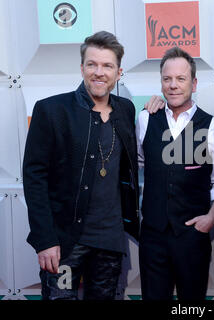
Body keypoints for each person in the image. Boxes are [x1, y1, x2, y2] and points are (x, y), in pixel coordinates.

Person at [22, 31, 139, 300]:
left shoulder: (126, 110)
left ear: (118, 72)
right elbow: (34, 177)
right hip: (64, 244)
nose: (99, 72)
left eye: (107, 65)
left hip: (109, 241)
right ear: (82, 68)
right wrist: (45, 240)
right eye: (92, 64)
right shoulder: (51, 110)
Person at [136, 47, 214, 300]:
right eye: (167, 79)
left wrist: (211, 218)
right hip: (152, 236)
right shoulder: (144, 118)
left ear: (193, 83)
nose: (173, 85)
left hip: (192, 237)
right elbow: (141, 164)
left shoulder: (213, 126)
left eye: (181, 79)